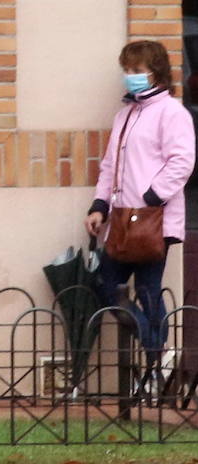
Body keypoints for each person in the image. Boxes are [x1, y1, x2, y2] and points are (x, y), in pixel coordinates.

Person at [84, 40, 194, 397]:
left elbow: (182, 162)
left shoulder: (172, 113)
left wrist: (150, 197)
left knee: (148, 291)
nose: (128, 76)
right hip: (120, 220)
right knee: (106, 284)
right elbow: (110, 166)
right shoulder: (125, 115)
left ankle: (155, 370)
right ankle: (158, 355)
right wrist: (99, 205)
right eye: (126, 70)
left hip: (152, 220)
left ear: (156, 72)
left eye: (135, 70)